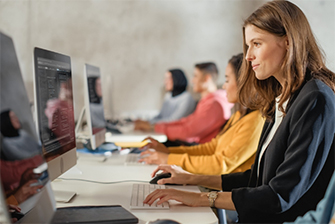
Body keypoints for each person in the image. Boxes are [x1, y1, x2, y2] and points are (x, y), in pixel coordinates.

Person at [143, 1, 335, 223]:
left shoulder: (315, 98)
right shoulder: (282, 96)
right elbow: (257, 179)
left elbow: (279, 195)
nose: (248, 56)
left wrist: (202, 198)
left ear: (288, 41)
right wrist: (189, 178)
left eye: (257, 43)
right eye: (248, 46)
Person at [139, 54, 264, 176]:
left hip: (221, 184)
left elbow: (221, 163)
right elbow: (212, 147)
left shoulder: (253, 121)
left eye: (227, 80)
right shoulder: (239, 115)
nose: (224, 86)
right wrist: (168, 152)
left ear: (244, 82)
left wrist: (169, 158)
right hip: (207, 171)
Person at [136, 62, 233, 144]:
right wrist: (153, 126)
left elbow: (188, 131)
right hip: (193, 146)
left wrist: (154, 127)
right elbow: (186, 121)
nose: (192, 80)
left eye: (195, 76)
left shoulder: (214, 104)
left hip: (197, 148)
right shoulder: (208, 101)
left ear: (206, 78)